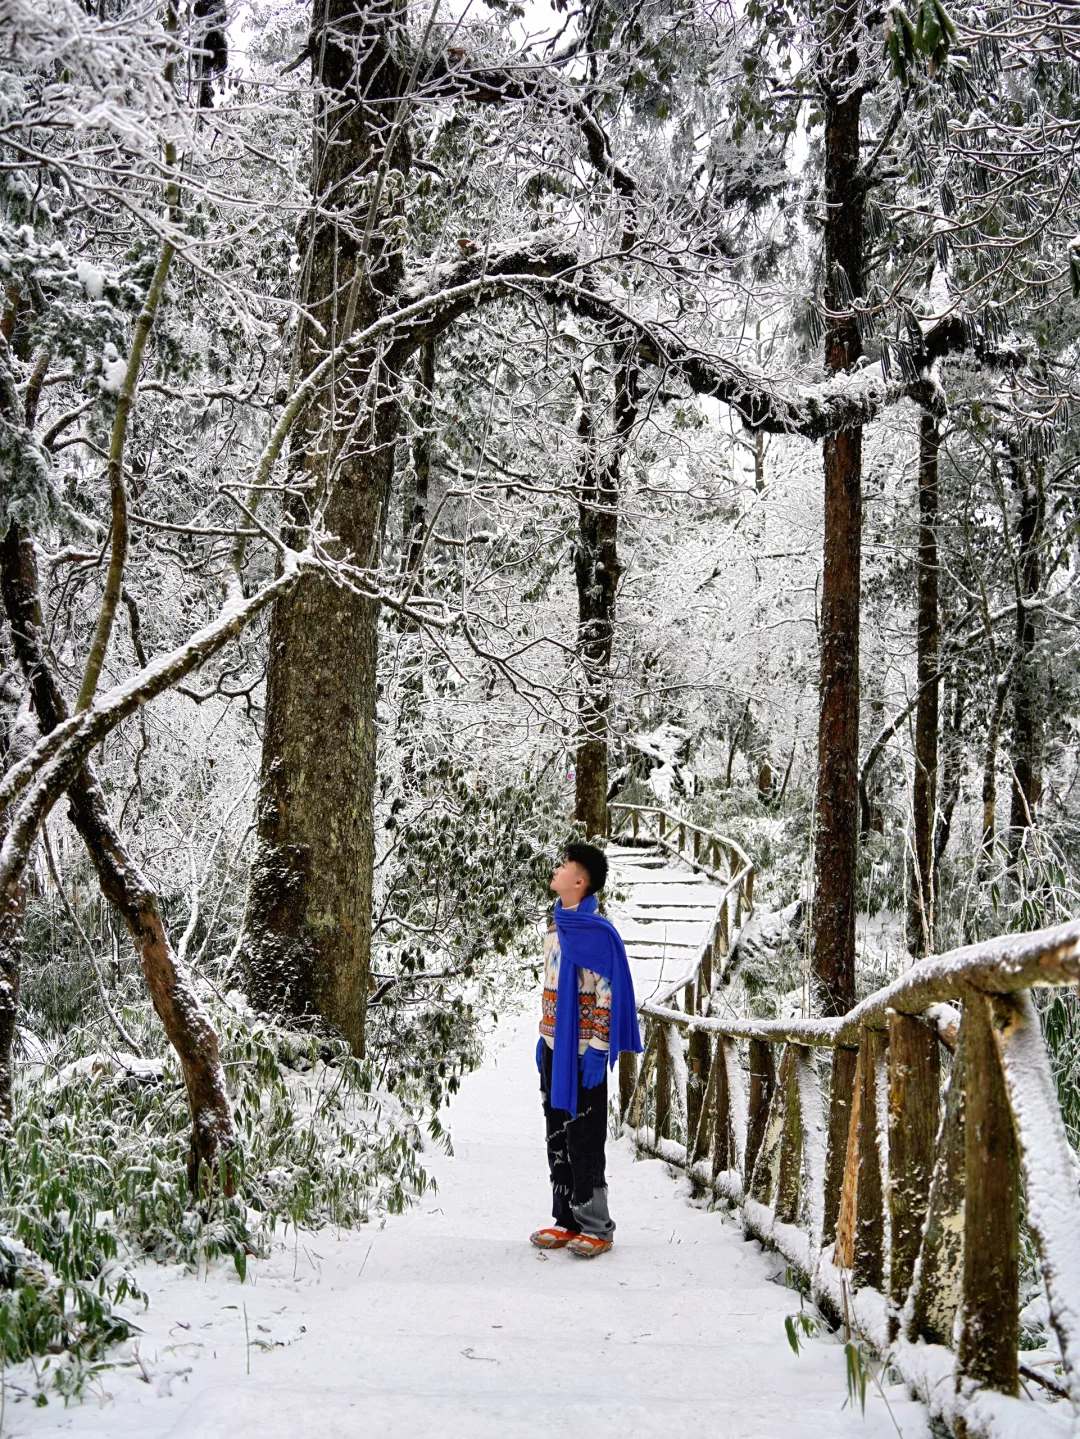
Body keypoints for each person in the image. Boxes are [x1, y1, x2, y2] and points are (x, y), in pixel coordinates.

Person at [531, 842, 642, 1258]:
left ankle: (597, 1226)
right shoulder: (555, 927)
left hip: (583, 1054)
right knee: (557, 1133)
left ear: (581, 882)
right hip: (554, 1049)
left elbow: (606, 996)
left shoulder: (597, 933)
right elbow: (553, 987)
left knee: (585, 1136)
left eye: (564, 866)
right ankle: (567, 1219)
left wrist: (597, 1048)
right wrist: (543, 1038)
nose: (555, 870)